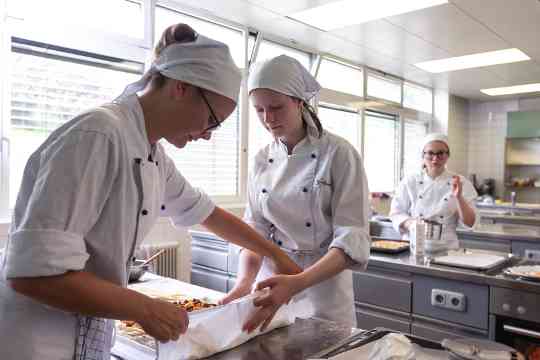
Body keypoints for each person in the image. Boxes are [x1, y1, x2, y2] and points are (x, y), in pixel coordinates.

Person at [0, 24, 300, 360]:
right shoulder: (97, 135)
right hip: (36, 342)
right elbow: (31, 276)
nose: (207, 135)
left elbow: (208, 215)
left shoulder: (152, 153)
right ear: (181, 88)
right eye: (212, 120)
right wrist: (145, 308)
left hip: (83, 338)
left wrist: (276, 257)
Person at [220, 55, 371, 331]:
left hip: (323, 286)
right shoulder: (261, 159)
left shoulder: (339, 154)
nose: (268, 119)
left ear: (299, 102)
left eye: (276, 107)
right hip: (271, 282)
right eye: (259, 110)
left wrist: (298, 282)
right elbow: (255, 229)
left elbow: (352, 238)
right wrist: (243, 284)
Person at [390, 133, 478, 249]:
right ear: (423, 155)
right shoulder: (410, 181)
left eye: (440, 153)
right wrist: (413, 224)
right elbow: (396, 213)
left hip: (447, 249)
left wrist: (459, 198)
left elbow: (470, 222)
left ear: (448, 155)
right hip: (413, 246)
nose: (435, 159)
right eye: (430, 153)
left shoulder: (460, 182)